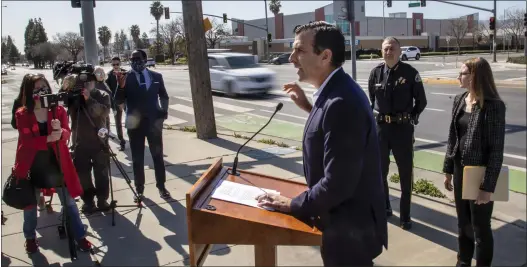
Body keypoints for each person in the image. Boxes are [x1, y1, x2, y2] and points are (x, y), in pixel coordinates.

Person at [255, 22, 388, 266]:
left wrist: (294, 205)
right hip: (344, 226)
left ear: (325, 56)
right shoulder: (334, 93)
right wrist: (309, 107)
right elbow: (331, 132)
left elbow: (337, 183)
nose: (291, 58)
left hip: (349, 233)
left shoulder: (341, 102)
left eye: (299, 51)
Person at [12, 73, 92, 254]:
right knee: (30, 207)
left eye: (45, 87)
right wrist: (48, 137)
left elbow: (66, 131)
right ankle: (30, 238)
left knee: (69, 203)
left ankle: (80, 236)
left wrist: (61, 132)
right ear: (29, 92)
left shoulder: (58, 111)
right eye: (38, 88)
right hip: (33, 166)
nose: (43, 91)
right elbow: (27, 141)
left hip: (56, 164)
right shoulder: (23, 114)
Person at [443, 57, 505, 267]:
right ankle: (463, 261)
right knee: (463, 222)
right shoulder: (460, 100)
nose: (459, 77)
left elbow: (496, 151)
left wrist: (487, 187)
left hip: (480, 172)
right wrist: (448, 169)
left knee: (480, 226)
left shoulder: (494, 106)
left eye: (462, 73)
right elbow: (453, 137)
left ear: (475, 76)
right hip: (461, 170)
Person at [367, 36, 427, 230]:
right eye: (385, 48)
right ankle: (385, 207)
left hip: (402, 130)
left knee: (405, 174)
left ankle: (406, 216)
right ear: (381, 51)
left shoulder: (410, 73)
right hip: (381, 130)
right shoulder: (376, 73)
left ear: (399, 51)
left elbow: (421, 101)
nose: (388, 51)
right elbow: (371, 100)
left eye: (392, 48)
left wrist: (412, 118)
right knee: (380, 172)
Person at [115, 49, 170, 201]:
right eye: (132, 59)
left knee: (157, 157)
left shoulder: (157, 77)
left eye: (137, 58)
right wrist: (120, 86)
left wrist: (163, 113)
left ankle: (162, 187)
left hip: (154, 124)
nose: (134, 62)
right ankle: (139, 189)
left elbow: (164, 96)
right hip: (135, 126)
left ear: (145, 60)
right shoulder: (126, 78)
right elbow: (117, 101)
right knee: (137, 159)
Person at [67, 71, 112, 213]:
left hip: (99, 141)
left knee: (102, 173)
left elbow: (103, 112)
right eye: (84, 83)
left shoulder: (102, 95)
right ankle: (88, 201)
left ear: (95, 82)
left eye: (90, 82)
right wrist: (68, 90)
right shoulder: (75, 96)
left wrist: (89, 99)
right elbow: (67, 110)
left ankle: (102, 199)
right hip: (81, 142)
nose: (88, 85)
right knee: (83, 174)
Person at [11, 74, 55, 211]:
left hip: (45, 144)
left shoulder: (49, 104)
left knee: (48, 176)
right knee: (33, 179)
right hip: (30, 142)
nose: (40, 90)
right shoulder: (20, 104)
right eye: (35, 87)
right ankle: (38, 199)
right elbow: (15, 124)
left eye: (43, 86)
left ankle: (45, 198)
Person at [106, 57, 127, 151]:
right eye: (113, 64)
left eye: (117, 64)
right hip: (115, 103)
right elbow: (108, 91)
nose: (115, 66)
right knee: (118, 123)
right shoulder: (109, 75)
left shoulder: (126, 73)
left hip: (127, 101)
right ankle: (122, 141)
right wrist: (113, 103)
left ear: (120, 64)